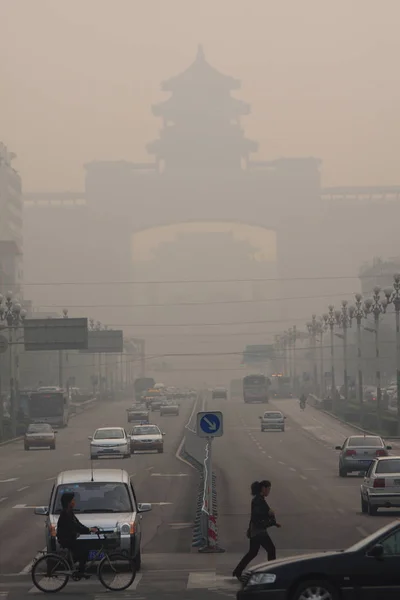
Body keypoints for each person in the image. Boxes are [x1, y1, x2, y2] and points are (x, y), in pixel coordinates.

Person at [232, 480, 281, 581]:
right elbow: (257, 517)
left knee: (253, 552)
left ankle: (237, 571)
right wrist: (270, 516)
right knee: (271, 550)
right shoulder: (258, 500)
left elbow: (259, 515)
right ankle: (271, 574)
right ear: (263, 488)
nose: (269, 491)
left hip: (256, 530)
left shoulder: (259, 499)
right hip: (259, 531)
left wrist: (273, 522)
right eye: (268, 489)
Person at [56, 492, 98, 578]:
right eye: (72, 500)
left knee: (84, 548)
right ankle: (80, 571)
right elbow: (75, 527)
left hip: (70, 538)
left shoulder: (69, 512)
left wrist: (89, 529)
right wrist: (88, 530)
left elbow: (78, 524)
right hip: (66, 539)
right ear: (68, 502)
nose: (74, 502)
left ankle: (72, 563)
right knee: (84, 550)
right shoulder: (65, 514)